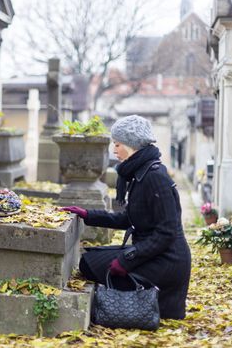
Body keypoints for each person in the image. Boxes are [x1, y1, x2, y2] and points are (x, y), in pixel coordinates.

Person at [62, 115, 191, 319]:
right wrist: (88, 215)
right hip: (152, 252)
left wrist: (127, 260)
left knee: (94, 266)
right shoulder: (141, 173)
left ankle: (148, 301)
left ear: (132, 145)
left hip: (167, 259)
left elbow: (167, 233)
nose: (114, 151)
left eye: (117, 144)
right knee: (88, 261)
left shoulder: (155, 177)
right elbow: (131, 218)